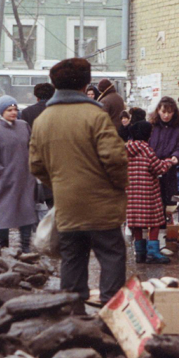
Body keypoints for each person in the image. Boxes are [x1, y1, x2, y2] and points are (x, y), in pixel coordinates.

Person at [29, 58, 129, 306]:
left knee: (72, 259)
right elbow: (115, 158)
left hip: (67, 206)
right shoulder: (96, 115)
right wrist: (118, 186)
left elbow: (36, 166)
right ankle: (110, 314)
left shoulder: (43, 120)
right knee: (112, 256)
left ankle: (74, 317)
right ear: (86, 85)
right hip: (102, 206)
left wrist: (60, 185)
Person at [0, 96, 39, 253]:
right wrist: (0, 171)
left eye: (15, 109)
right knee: (3, 211)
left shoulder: (23, 126)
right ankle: (3, 245)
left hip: (25, 177)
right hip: (5, 179)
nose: (13, 113)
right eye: (9, 110)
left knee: (26, 210)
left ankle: (25, 245)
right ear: (1, 112)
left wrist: (33, 167)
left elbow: (32, 146)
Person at [125, 120, 173, 264]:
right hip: (148, 193)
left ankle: (140, 253)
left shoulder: (125, 149)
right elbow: (159, 168)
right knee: (155, 222)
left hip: (131, 193)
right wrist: (169, 162)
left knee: (137, 223)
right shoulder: (146, 149)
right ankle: (152, 252)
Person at [148, 98, 179, 210]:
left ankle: (167, 226)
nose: (166, 115)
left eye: (170, 112)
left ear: (174, 113)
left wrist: (176, 157)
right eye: (163, 112)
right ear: (158, 111)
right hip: (151, 171)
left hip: (169, 171)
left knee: (169, 206)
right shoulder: (151, 128)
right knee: (152, 206)